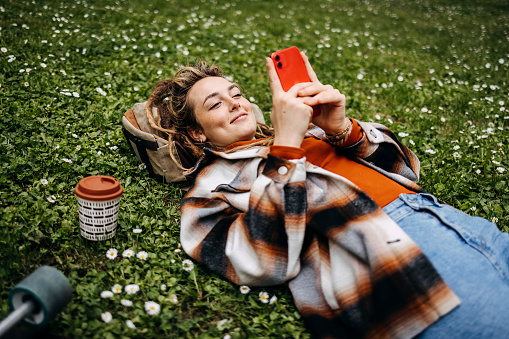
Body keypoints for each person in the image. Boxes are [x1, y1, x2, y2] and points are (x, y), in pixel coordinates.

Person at [145, 53, 509, 338]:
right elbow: (257, 261)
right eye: (215, 104)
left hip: (459, 225)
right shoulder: (211, 189)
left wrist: (343, 130)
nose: (236, 103)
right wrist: (285, 148)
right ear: (196, 134)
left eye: (236, 93)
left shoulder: (312, 132)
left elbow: (407, 169)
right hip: (399, 261)